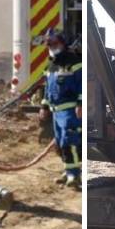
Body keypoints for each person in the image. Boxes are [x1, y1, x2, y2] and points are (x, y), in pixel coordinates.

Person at [39, 29, 82, 188]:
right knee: (60, 143)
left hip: (70, 111)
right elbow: (47, 89)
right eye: (48, 44)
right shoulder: (50, 65)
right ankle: (68, 170)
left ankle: (75, 175)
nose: (51, 46)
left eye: (54, 43)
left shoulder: (74, 62)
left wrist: (80, 104)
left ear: (63, 43)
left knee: (70, 141)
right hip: (56, 112)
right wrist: (44, 106)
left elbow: (81, 85)